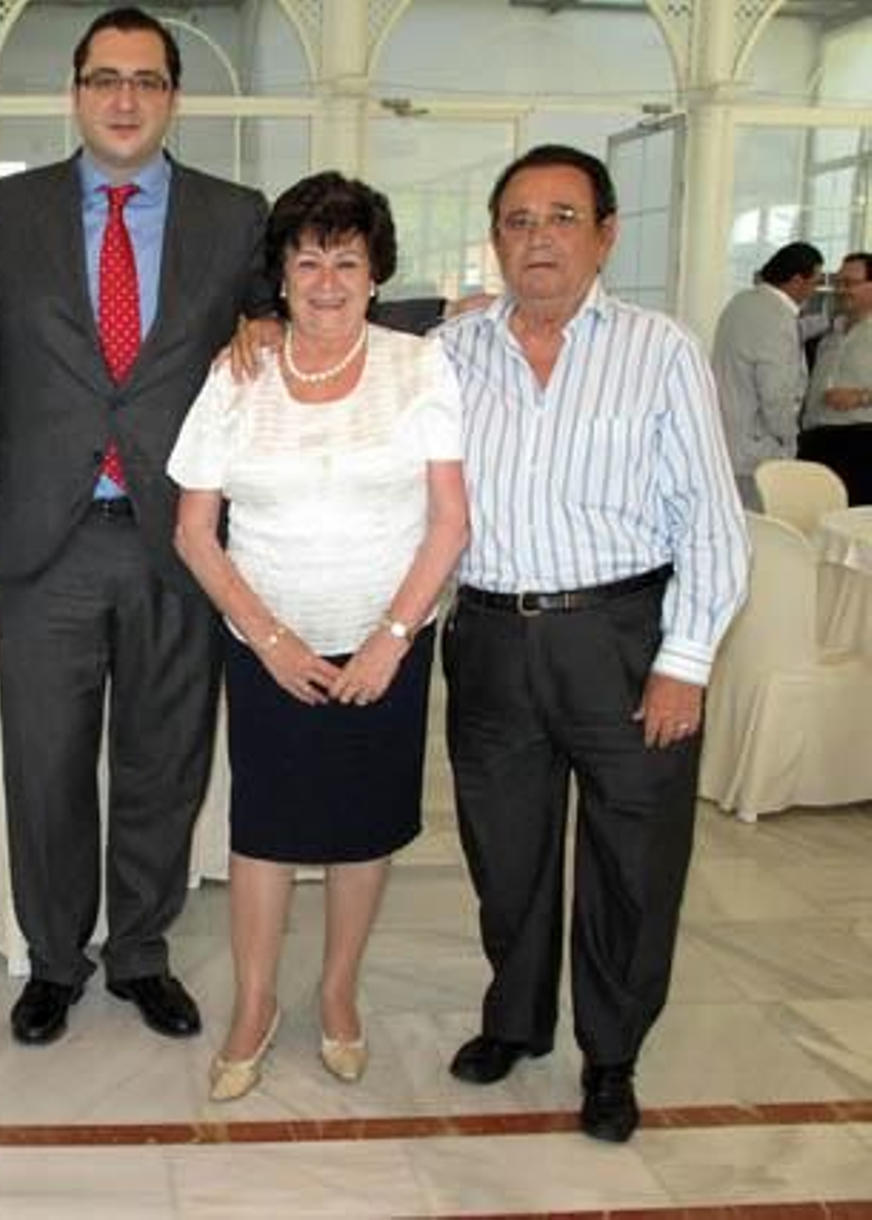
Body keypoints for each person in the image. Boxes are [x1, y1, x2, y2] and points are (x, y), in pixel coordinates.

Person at [0, 5, 271, 1046]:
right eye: (102, 79)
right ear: (76, 94)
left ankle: (138, 949)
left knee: (164, 760)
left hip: (176, 539)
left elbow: (307, 315)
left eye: (144, 79)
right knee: (44, 766)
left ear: (172, 95)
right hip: (44, 541)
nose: (123, 98)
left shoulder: (236, 216)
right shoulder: (7, 211)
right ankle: (53, 957)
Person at [437, 145, 747, 1144]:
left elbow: (710, 516)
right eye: (519, 220)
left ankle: (610, 1052)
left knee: (631, 859)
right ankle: (516, 1021)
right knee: (507, 855)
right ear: (494, 240)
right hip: (488, 637)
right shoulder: (450, 351)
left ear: (605, 234)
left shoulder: (659, 349)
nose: (539, 239)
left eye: (563, 217)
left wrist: (684, 659)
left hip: (622, 638)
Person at [169, 172, 468, 1102]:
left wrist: (389, 637)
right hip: (269, 646)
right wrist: (266, 638)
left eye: (348, 260)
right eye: (309, 260)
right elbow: (192, 529)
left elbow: (448, 522)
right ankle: (254, 1005)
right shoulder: (240, 370)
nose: (328, 280)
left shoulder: (419, 366)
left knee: (360, 828)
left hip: (387, 641)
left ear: (375, 273)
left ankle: (338, 994)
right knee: (264, 830)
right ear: (283, 275)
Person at [711, 241, 824, 507]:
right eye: (815, 282)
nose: (815, 291)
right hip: (758, 453)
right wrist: (791, 440)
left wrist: (827, 322)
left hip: (728, 441)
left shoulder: (742, 302)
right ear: (797, 280)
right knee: (762, 533)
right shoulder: (778, 319)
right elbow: (776, 398)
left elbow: (779, 339)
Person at [799, 251, 872, 505]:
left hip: (861, 445)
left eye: (849, 283)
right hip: (816, 443)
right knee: (811, 520)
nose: (840, 290)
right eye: (838, 282)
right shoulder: (831, 331)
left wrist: (863, 396)